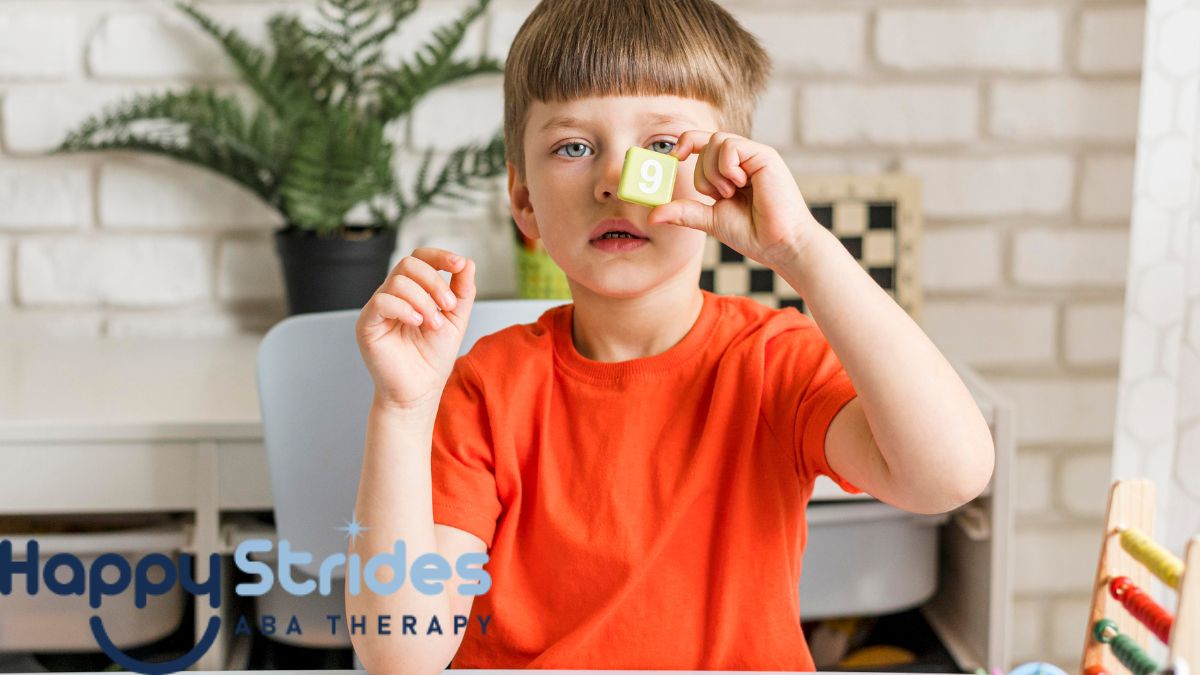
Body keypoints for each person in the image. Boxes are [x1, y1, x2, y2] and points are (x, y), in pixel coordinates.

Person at [347, 0, 995, 671]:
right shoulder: (488, 385)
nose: (612, 181)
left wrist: (801, 247)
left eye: (660, 146)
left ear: (728, 177)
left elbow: (950, 475)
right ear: (523, 201)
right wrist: (401, 408)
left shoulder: (772, 361)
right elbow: (400, 653)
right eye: (574, 147)